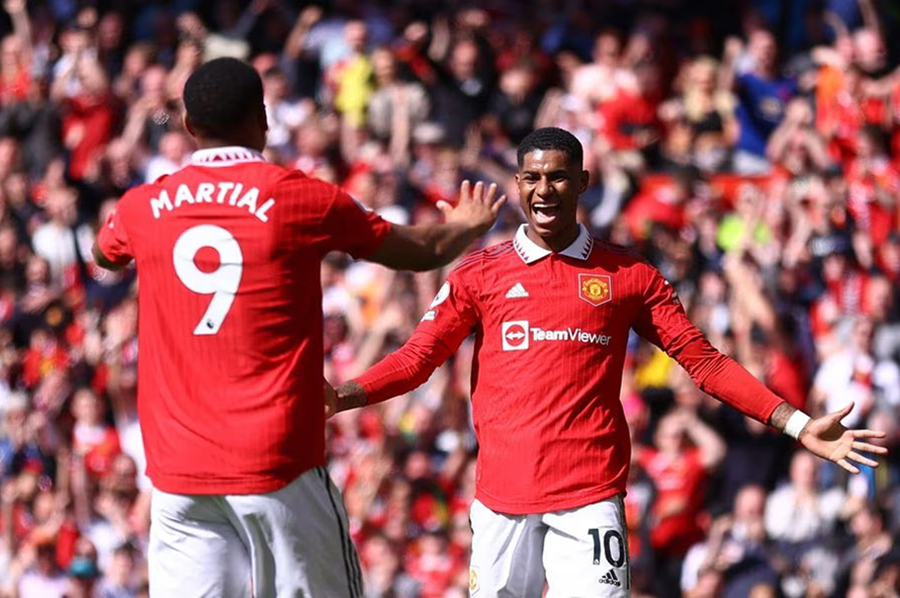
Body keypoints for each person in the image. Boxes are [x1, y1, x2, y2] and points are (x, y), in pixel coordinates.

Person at [330, 127, 887, 597]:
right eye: (532, 178)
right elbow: (418, 357)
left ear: (582, 184)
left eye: (557, 177)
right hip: (500, 499)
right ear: (520, 185)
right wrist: (347, 394)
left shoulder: (630, 277)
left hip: (589, 497)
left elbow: (705, 362)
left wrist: (795, 422)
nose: (544, 190)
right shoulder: (480, 274)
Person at [90, 57, 505, 597]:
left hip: (177, 476)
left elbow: (105, 253)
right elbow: (419, 252)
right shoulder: (299, 196)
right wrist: (464, 226)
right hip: (277, 463)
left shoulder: (143, 206)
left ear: (189, 127)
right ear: (263, 120)